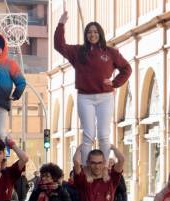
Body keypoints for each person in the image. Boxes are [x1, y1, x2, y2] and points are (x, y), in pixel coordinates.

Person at [55, 12, 132, 165]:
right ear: (86, 35)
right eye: (89, 32)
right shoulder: (78, 52)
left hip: (105, 97)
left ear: (100, 34)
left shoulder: (111, 52)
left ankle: (103, 168)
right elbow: (59, 45)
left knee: (104, 135)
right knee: (88, 135)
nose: (92, 34)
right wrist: (61, 25)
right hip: (85, 97)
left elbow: (127, 69)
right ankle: (85, 169)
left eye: (95, 32)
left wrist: (115, 83)